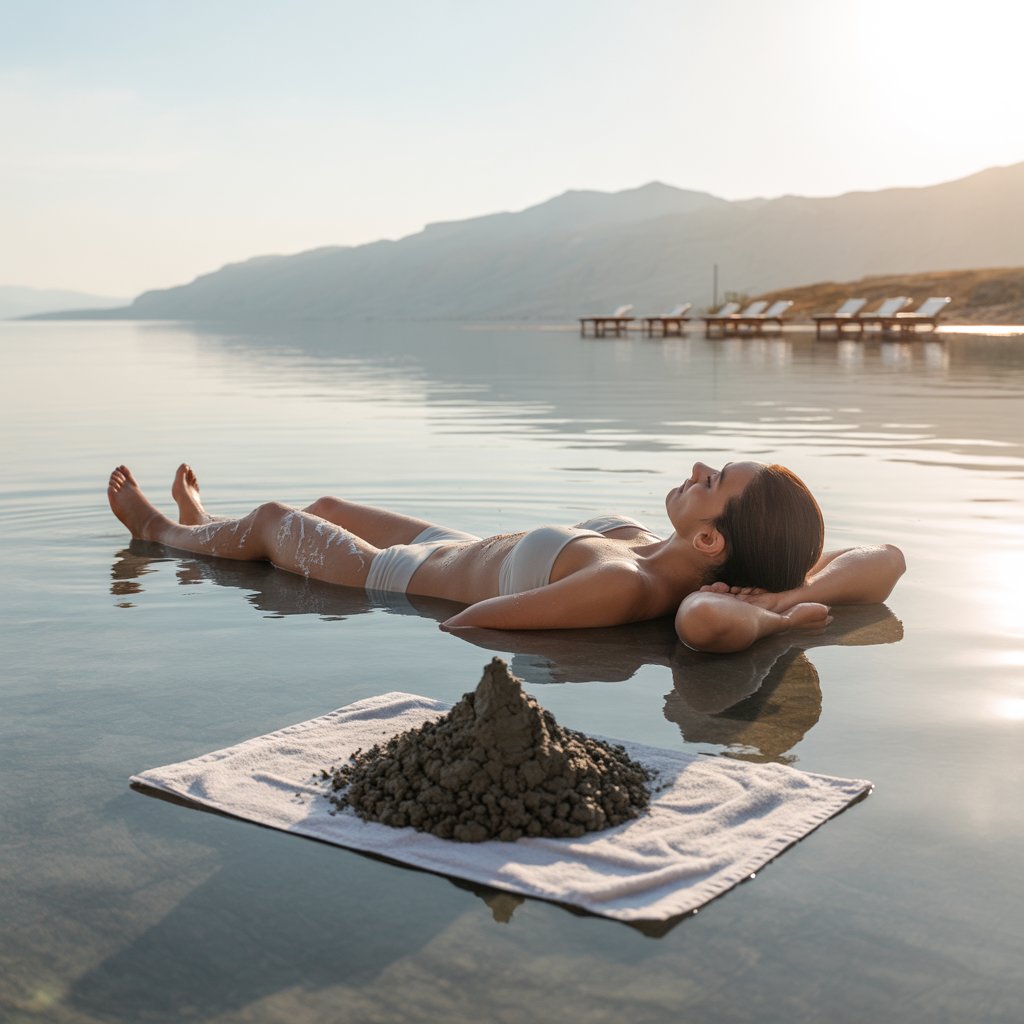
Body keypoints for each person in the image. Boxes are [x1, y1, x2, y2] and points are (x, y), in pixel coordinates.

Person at [107, 461, 905, 653]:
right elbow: (886, 559)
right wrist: (786, 596)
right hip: (453, 543)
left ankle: (164, 533)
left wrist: (770, 622)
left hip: (392, 576)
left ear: (710, 542)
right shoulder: (670, 553)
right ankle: (205, 527)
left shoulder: (625, 584)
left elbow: (474, 623)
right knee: (328, 507)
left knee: (277, 520)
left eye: (714, 482)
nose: (697, 469)